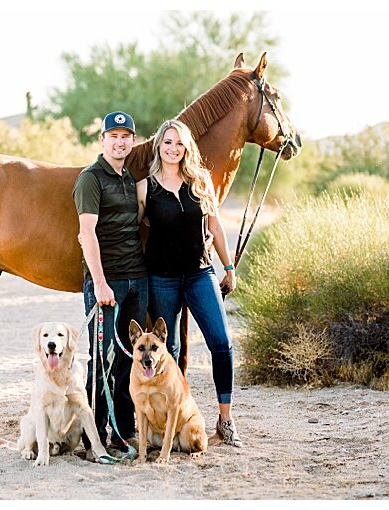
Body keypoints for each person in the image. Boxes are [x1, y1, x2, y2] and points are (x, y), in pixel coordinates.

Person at [137, 119, 244, 447]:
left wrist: (228, 267)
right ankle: (166, 424)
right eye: (167, 143)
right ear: (159, 146)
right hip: (162, 278)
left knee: (221, 343)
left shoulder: (201, 181)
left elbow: (216, 225)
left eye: (179, 144)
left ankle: (225, 420)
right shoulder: (145, 187)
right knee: (167, 351)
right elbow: (133, 229)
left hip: (200, 273)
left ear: (187, 148)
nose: (172, 149)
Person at [73, 110, 147, 454]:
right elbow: (87, 232)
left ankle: (123, 430)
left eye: (125, 136)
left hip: (137, 280)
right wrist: (100, 283)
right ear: (102, 140)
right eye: (113, 136)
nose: (119, 142)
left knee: (128, 357)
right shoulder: (91, 178)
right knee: (102, 361)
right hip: (108, 283)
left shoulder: (130, 178)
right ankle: (93, 437)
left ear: (133, 141)